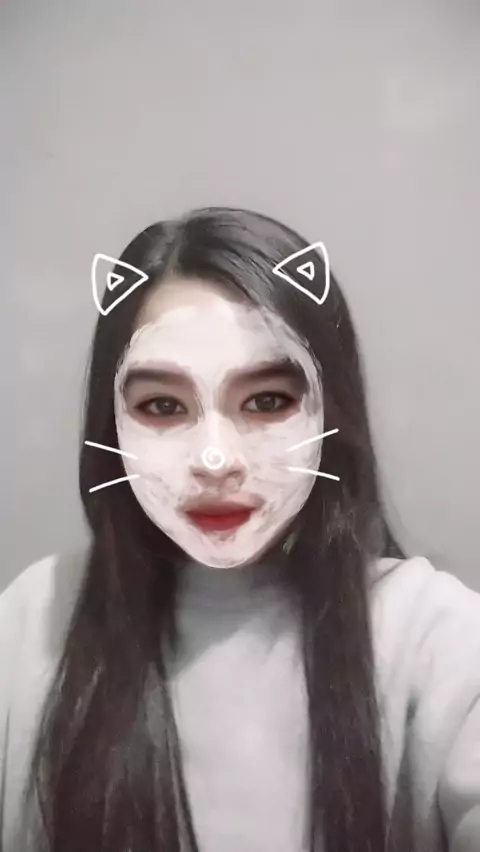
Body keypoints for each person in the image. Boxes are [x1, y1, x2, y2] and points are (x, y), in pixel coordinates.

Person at [0, 207, 479, 852]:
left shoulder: (436, 641)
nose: (215, 460)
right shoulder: (31, 622)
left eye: (268, 401)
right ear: (111, 424)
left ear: (330, 412)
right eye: (162, 406)